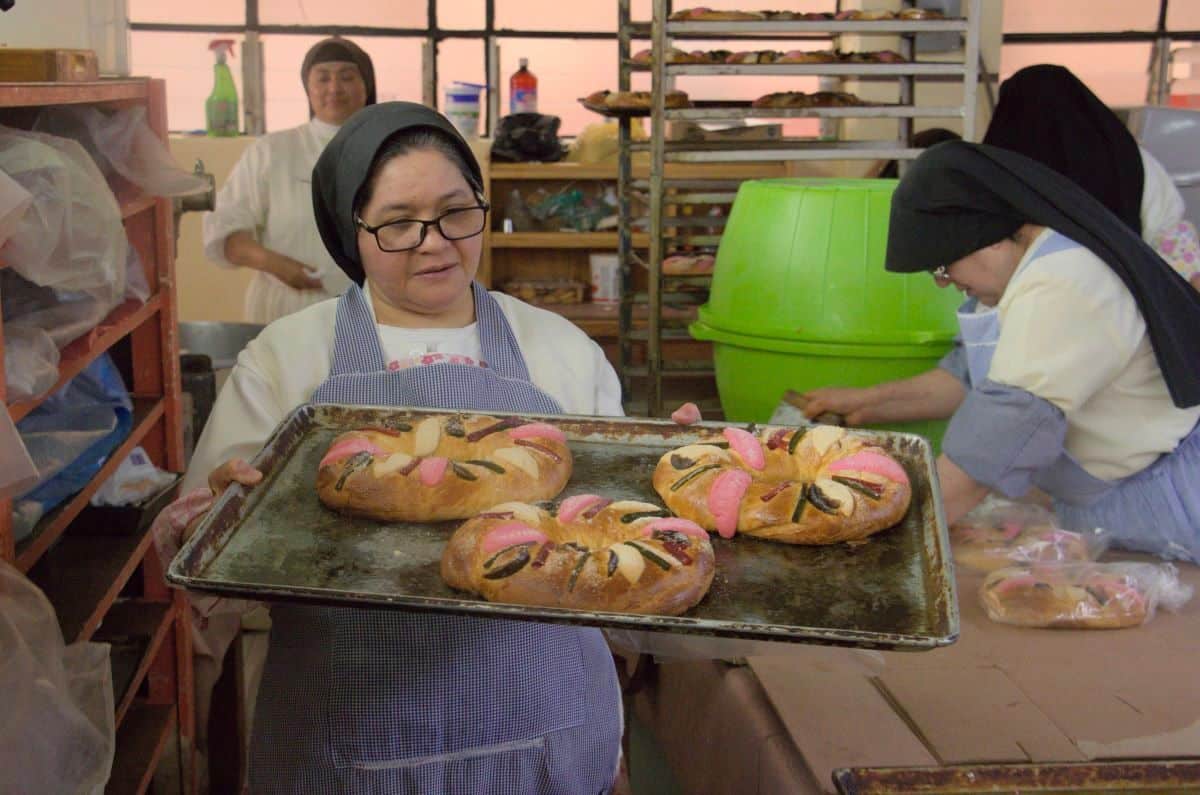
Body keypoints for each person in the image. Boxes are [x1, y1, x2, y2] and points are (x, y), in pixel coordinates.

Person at [157, 103, 624, 792]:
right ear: (353, 230)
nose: (434, 243)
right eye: (398, 222)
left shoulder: (557, 348)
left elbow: (614, 549)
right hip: (346, 740)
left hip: (543, 728)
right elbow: (202, 576)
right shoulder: (289, 358)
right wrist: (219, 521)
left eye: (456, 212)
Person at [803, 141, 1200, 562]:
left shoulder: (1064, 281)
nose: (942, 282)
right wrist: (866, 404)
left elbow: (1002, 433)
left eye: (941, 267)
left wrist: (874, 535)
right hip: (1104, 500)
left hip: (1162, 497)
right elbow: (969, 379)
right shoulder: (1028, 270)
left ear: (987, 238)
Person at [202, 37, 376, 323]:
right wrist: (276, 265)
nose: (334, 88)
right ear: (308, 87)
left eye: (347, 77)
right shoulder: (272, 151)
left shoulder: (388, 151)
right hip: (285, 310)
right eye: (322, 78)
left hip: (367, 310)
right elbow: (225, 234)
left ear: (366, 85)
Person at [982, 64, 1200, 289]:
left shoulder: (1005, 168)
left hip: (1034, 299)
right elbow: (1172, 241)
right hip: (1126, 306)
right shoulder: (1131, 160)